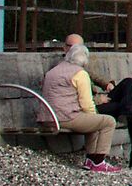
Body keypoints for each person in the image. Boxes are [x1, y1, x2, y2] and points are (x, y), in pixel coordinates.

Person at [41, 43, 121, 173]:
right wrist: (95, 116)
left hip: (47, 117)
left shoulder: (53, 71)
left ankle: (90, 160)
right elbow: (86, 104)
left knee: (93, 123)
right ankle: (98, 161)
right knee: (108, 122)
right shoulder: (80, 74)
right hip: (65, 117)